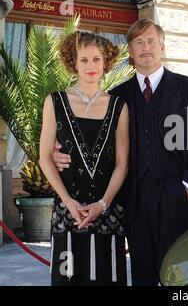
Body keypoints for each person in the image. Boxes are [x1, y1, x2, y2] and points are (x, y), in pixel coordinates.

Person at [53, 19, 188, 286]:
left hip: (175, 196)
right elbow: (94, 143)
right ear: (130, 51)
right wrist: (57, 152)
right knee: (142, 276)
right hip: (133, 200)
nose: (145, 48)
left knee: (179, 276)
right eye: (138, 43)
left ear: (162, 46)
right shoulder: (117, 97)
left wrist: (187, 187)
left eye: (151, 41)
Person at [39, 31, 129, 286]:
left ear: (106, 63)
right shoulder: (54, 101)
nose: (91, 66)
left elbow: (122, 163)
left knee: (107, 278)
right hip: (68, 210)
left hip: (107, 213)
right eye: (84, 60)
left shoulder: (119, 106)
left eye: (97, 59)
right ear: (73, 63)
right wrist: (69, 202)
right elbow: (45, 157)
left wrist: (103, 203)